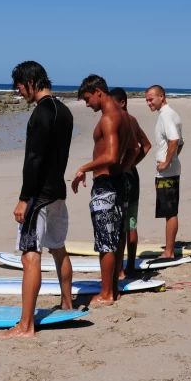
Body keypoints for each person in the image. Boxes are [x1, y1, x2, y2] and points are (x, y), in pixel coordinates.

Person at [0, 61, 74, 339]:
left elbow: (34, 160)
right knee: (58, 248)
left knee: (31, 258)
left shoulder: (40, 114)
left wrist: (23, 199)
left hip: (39, 198)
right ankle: (67, 304)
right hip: (57, 193)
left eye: (19, 85)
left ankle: (26, 326)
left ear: (31, 81)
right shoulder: (64, 111)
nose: (19, 91)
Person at [71, 75, 135, 305]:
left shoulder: (109, 118)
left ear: (98, 92)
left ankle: (107, 293)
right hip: (118, 181)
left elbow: (109, 155)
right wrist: (121, 169)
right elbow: (134, 150)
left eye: (88, 99)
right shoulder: (124, 116)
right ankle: (113, 289)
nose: (87, 104)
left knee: (105, 241)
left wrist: (83, 168)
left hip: (106, 186)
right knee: (116, 239)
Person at [108, 88, 152, 277]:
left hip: (123, 176)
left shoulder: (120, 121)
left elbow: (139, 147)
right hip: (132, 175)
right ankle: (131, 266)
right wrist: (133, 164)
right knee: (130, 222)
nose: (108, 106)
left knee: (122, 224)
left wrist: (126, 166)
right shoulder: (133, 120)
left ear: (122, 103)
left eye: (112, 102)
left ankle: (120, 268)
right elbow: (146, 145)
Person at [145, 85, 184, 259]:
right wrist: (172, 160)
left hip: (167, 172)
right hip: (170, 170)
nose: (148, 103)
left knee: (170, 211)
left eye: (151, 99)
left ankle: (168, 251)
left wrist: (167, 162)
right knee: (169, 210)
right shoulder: (172, 114)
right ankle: (169, 249)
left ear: (162, 96)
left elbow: (175, 140)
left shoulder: (167, 115)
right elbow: (181, 142)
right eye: (146, 100)